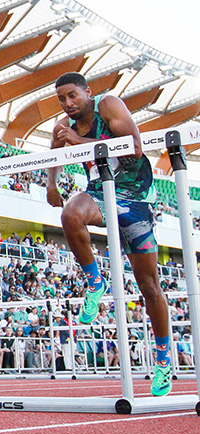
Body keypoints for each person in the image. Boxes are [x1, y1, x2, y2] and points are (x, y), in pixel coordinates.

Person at [47, 72, 171, 397]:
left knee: (149, 286)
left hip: (135, 199)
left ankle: (162, 358)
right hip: (100, 192)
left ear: (87, 92)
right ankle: (94, 283)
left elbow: (135, 148)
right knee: (70, 214)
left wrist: (82, 143)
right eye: (62, 99)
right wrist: (51, 183)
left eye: (73, 96)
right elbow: (54, 152)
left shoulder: (109, 105)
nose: (68, 104)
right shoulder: (64, 127)